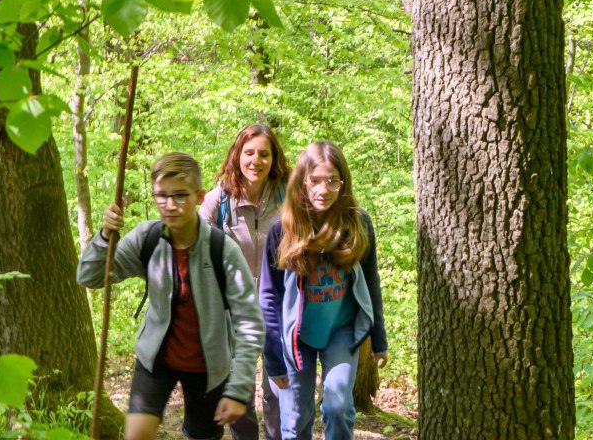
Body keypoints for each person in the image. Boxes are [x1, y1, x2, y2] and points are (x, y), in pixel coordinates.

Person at [79, 152, 264, 440]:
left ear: (199, 196)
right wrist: (104, 236)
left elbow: (249, 322)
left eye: (180, 195)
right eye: (161, 196)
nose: (170, 205)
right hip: (156, 360)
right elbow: (89, 276)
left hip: (208, 366)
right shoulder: (147, 239)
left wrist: (238, 390)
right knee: (137, 435)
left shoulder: (222, 250)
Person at [258, 141, 388, 440]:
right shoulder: (283, 228)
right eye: (315, 180)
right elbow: (269, 297)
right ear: (302, 182)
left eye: (332, 181)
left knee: (338, 407)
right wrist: (273, 358)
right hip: (296, 336)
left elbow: (370, 281)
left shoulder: (357, 223)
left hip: (340, 330)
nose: (323, 189)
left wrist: (379, 340)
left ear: (343, 183)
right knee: (295, 419)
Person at [199, 123, 290, 440]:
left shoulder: (289, 198)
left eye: (264, 154)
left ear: (274, 158)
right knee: (240, 390)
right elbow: (193, 245)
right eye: (249, 153)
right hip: (234, 309)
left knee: (278, 388)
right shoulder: (218, 201)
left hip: (279, 306)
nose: (256, 161)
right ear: (237, 156)